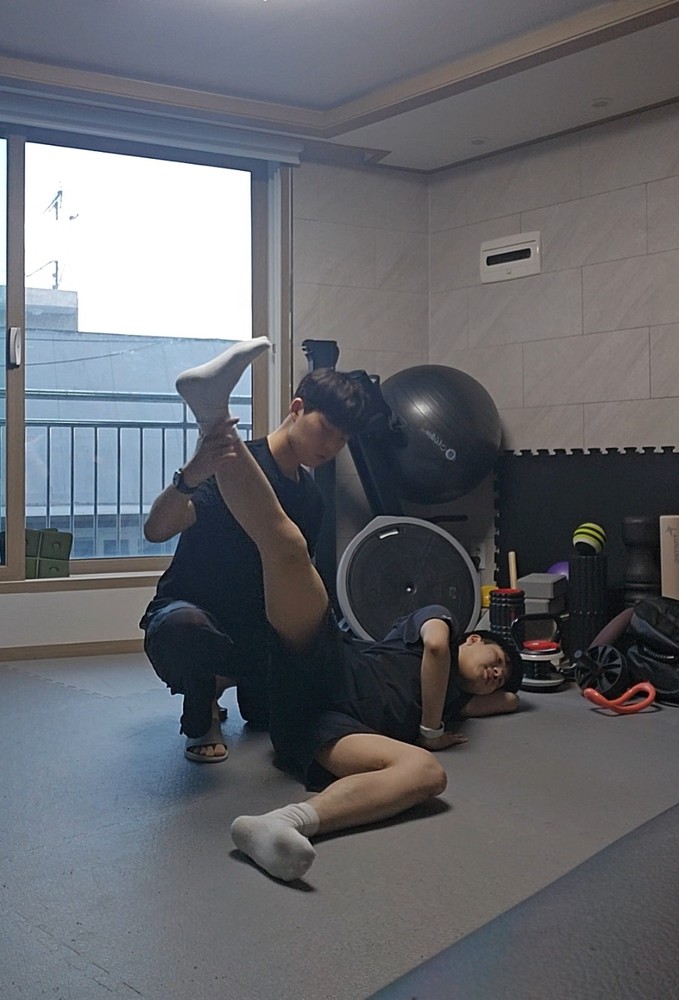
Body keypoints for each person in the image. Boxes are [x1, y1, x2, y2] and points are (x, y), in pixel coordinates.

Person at [172, 337, 524, 882]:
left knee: (428, 775)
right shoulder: (437, 626)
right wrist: (432, 727)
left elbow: (509, 698)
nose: (496, 673)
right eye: (496, 658)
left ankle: (281, 823)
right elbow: (438, 649)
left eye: (499, 673)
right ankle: (212, 412)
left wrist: (496, 688)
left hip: (325, 723)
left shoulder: (461, 699)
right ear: (474, 638)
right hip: (325, 666)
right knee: (286, 545)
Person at [140, 337, 372, 763]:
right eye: (326, 429)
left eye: (342, 440)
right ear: (297, 408)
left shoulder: (311, 500)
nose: (330, 447)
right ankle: (201, 712)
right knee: (185, 629)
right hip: (193, 614)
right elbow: (156, 530)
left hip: (252, 629)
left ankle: (219, 680)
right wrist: (190, 476)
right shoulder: (237, 465)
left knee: (270, 716)